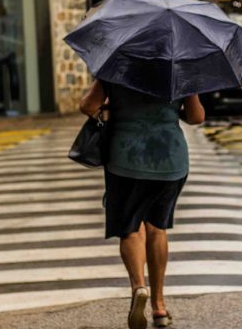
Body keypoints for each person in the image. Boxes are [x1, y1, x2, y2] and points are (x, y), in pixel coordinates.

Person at [79, 79, 205, 329]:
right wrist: (172, 110)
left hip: (126, 157)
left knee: (131, 228)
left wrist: (111, 104)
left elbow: (87, 106)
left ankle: (139, 287)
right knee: (158, 228)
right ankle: (159, 307)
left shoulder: (116, 66)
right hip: (170, 158)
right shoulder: (179, 69)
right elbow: (196, 116)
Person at [0, 0, 21, 115]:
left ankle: (14, 104)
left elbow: (16, 34)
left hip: (8, 51)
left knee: (13, 79)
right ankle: (0, 105)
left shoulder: (11, 19)